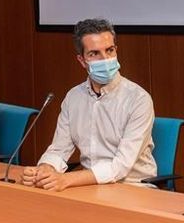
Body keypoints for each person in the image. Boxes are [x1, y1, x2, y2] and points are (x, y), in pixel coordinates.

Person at [21, 18, 156, 191]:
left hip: (133, 187)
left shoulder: (138, 99)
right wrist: (45, 169)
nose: (105, 59)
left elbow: (120, 167)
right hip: (89, 186)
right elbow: (59, 149)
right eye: (94, 54)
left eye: (110, 50)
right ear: (82, 61)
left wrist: (66, 179)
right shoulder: (73, 97)